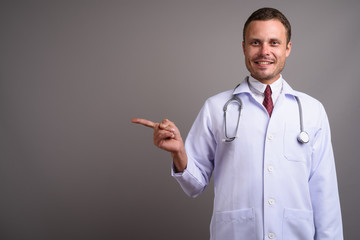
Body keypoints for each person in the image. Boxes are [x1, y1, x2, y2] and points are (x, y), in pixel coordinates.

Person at [132, 7, 343, 240]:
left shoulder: (312, 111)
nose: (264, 51)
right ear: (243, 47)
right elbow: (194, 186)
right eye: (255, 43)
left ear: (288, 48)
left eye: (274, 43)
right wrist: (179, 153)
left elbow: (325, 196)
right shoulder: (215, 107)